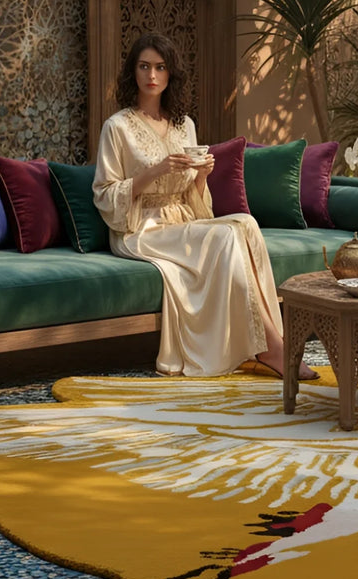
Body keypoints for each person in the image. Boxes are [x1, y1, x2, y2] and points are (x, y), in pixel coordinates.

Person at [93, 32, 316, 380]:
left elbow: (196, 204)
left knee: (245, 223)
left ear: (171, 73)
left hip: (181, 220)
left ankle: (271, 338)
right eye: (144, 66)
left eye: (160, 67)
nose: (152, 75)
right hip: (141, 229)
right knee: (225, 236)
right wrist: (155, 171)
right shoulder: (116, 127)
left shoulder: (185, 125)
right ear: (132, 72)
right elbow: (105, 195)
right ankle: (270, 347)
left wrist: (201, 176)